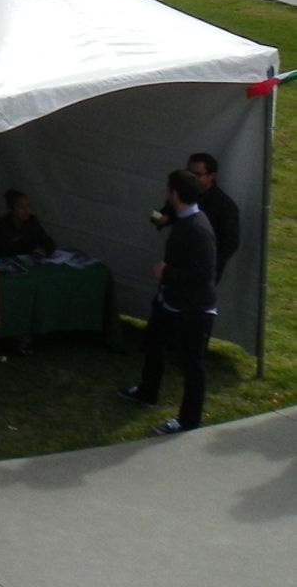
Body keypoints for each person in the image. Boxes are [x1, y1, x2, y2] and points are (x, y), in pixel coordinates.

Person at [119, 169, 218, 434]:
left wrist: (167, 272)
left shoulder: (198, 229)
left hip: (194, 309)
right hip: (171, 300)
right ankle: (147, 391)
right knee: (153, 342)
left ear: (174, 193)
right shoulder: (184, 219)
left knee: (191, 364)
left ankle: (188, 420)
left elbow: (203, 274)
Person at [186, 152, 240, 283]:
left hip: (203, 270)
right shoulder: (185, 194)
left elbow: (229, 243)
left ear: (212, 176)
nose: (191, 178)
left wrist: (208, 263)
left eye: (197, 175)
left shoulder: (224, 205)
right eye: (189, 173)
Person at [0, 189, 55, 259]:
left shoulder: (32, 221)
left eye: (28, 206)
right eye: (21, 207)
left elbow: (46, 240)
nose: (26, 210)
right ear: (11, 209)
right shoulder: (0, 225)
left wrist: (45, 250)